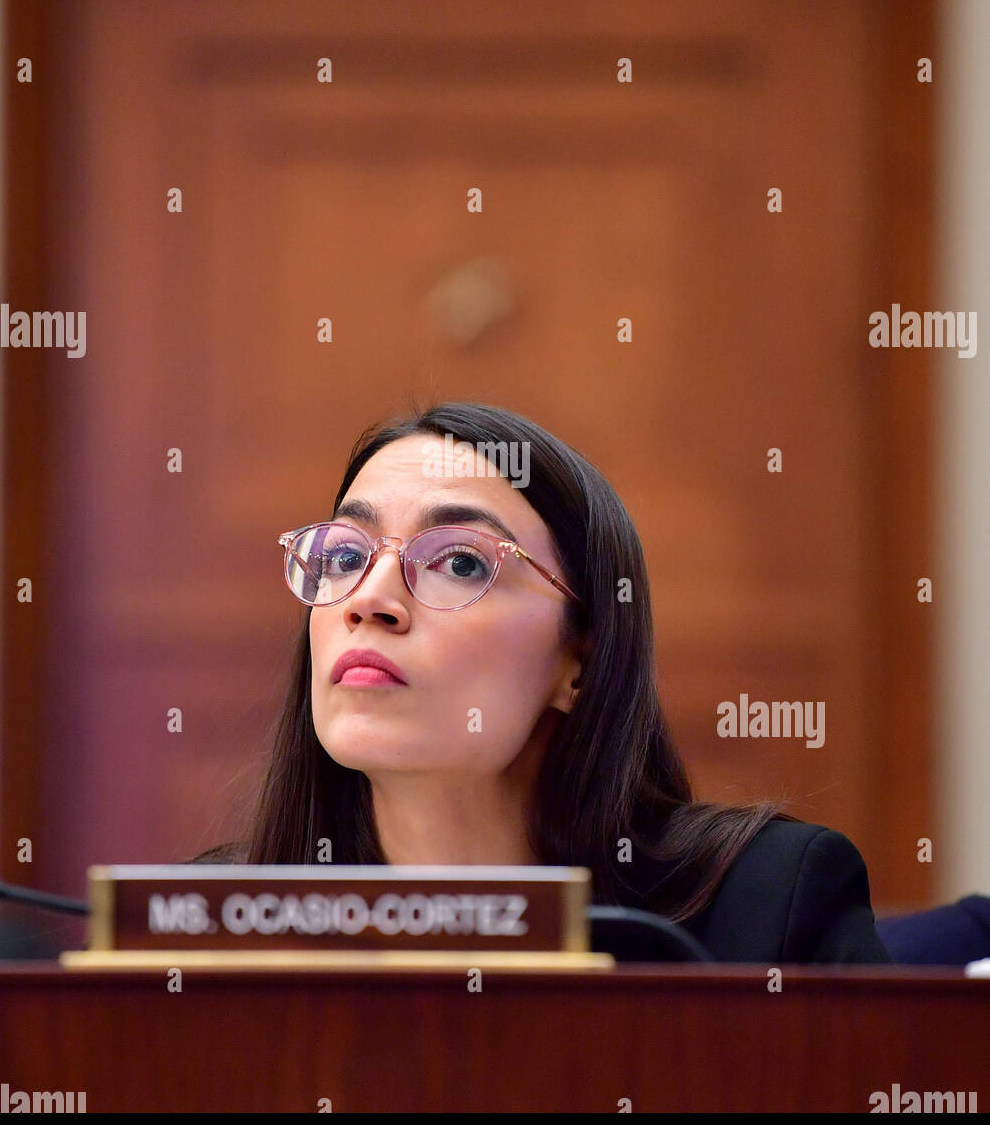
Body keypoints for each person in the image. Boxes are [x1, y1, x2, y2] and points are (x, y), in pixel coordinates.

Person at [193, 400, 891, 965]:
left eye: (461, 563)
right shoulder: (206, 923)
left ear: (579, 661)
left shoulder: (764, 909)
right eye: (345, 554)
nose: (368, 598)